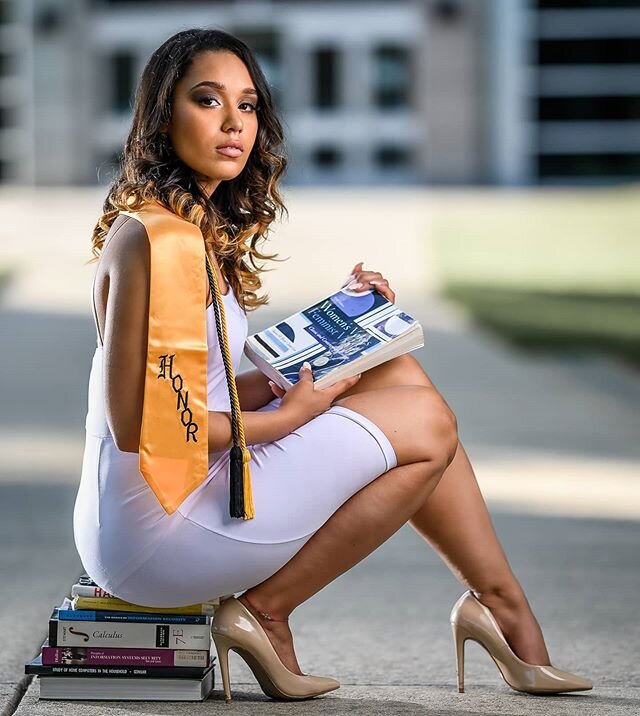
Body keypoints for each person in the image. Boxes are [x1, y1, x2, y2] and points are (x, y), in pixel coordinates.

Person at [73, 27, 592, 703]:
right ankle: (272, 610)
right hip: (163, 528)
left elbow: (206, 387)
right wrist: (288, 418)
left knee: (394, 372)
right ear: (162, 115)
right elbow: (144, 425)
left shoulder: (177, 225)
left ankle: (498, 605)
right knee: (428, 425)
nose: (235, 123)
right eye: (208, 100)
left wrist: (344, 327)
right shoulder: (160, 240)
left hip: (155, 505)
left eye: (250, 105)